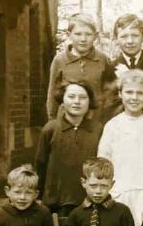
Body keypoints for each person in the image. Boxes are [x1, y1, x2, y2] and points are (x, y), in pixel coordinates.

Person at [97, 69, 143, 226]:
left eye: (140, 93)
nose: (134, 98)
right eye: (129, 92)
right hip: (122, 191)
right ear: (120, 94)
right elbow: (103, 162)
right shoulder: (112, 126)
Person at [35, 80, 103, 217]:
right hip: (57, 201)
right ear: (62, 101)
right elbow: (40, 164)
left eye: (83, 97)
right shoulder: (51, 129)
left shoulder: (98, 129)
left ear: (89, 102)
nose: (77, 101)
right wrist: (39, 196)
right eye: (71, 97)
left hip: (90, 199)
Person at [47, 13, 116, 123]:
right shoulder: (59, 60)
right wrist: (52, 121)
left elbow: (110, 94)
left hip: (95, 121)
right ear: (69, 35)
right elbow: (52, 94)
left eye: (88, 34)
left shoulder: (103, 59)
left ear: (95, 36)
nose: (83, 39)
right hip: (67, 121)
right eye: (78, 34)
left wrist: (106, 120)